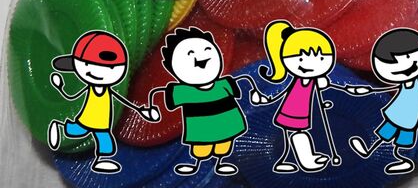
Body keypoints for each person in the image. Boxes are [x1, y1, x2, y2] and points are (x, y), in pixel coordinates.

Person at [151, 26, 266, 176]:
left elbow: (244, 82)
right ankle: (196, 164)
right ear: (171, 66)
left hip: (227, 125)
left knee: (223, 145)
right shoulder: (185, 91)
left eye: (207, 50)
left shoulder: (223, 83)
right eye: (189, 54)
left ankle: (219, 162)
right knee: (201, 148)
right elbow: (159, 95)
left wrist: (256, 94)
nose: (201, 58)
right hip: (202, 128)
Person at [47, 31, 156, 174]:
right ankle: (60, 128)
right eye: (87, 65)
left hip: (103, 122)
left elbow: (123, 100)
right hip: (87, 119)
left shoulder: (111, 90)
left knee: (104, 140)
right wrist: (60, 87)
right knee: (77, 131)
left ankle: (102, 160)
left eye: (109, 68)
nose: (96, 73)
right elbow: (72, 96)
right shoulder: (91, 88)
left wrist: (140, 110)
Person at [347, 27, 418, 175]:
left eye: (409, 58)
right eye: (395, 63)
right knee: (386, 134)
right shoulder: (401, 81)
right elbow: (387, 88)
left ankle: (401, 159)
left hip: (409, 118)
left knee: (401, 139)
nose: (405, 66)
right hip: (398, 114)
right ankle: (370, 151)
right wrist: (365, 90)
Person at [257, 20, 346, 173]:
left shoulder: (310, 80)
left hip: (301, 112)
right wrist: (265, 99)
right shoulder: (294, 80)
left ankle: (290, 159)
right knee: (296, 135)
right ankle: (306, 161)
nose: (310, 64)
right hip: (291, 112)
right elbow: (281, 92)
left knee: (290, 137)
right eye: (301, 59)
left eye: (321, 58)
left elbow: (318, 92)